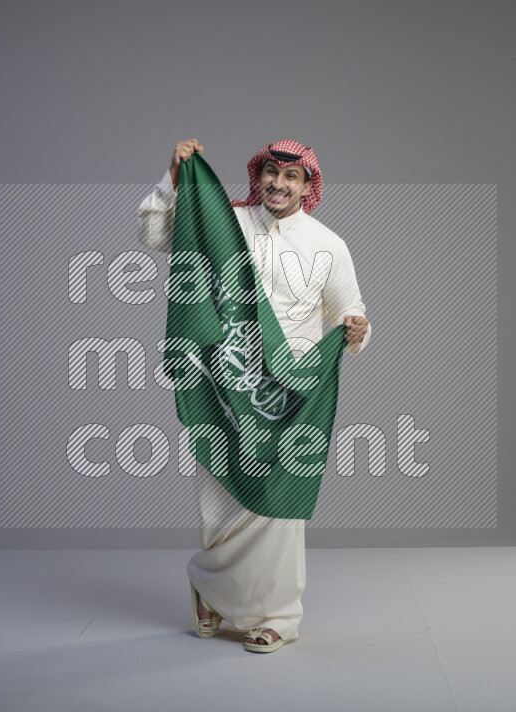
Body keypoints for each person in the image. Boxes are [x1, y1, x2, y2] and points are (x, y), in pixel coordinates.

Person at [136, 139, 371, 652]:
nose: (279, 184)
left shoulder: (328, 243)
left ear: (308, 186)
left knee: (281, 503)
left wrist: (355, 332)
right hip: (226, 381)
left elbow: (352, 311)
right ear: (258, 175)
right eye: (271, 173)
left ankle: (278, 616)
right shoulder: (228, 224)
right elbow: (155, 234)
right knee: (219, 502)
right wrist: (175, 179)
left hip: (290, 392)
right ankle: (211, 591)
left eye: (291, 177)